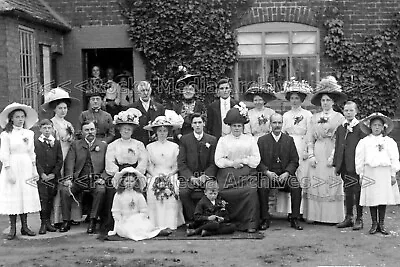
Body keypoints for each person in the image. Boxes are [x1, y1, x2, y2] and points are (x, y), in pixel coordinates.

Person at [304, 76, 347, 223]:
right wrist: (311, 155)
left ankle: (332, 217)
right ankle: (315, 216)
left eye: (328, 100)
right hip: (318, 149)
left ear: (333, 102)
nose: (325, 103)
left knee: (331, 181)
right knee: (317, 181)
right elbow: (310, 137)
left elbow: (340, 139)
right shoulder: (314, 117)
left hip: (332, 149)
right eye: (323, 100)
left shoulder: (339, 117)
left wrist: (333, 157)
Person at [214, 103, 261, 232]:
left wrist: (244, 160)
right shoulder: (223, 140)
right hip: (227, 174)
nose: (236, 128)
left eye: (239, 126)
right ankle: (227, 221)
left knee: (251, 191)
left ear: (243, 126)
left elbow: (256, 160)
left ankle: (249, 223)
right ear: (230, 126)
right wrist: (231, 163)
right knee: (223, 192)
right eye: (234, 126)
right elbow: (218, 160)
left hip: (246, 173)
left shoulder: (250, 140)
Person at [102, 108, 148, 236]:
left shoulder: (138, 144)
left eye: (129, 129)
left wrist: (136, 173)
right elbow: (110, 162)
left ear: (132, 130)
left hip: (135, 174)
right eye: (124, 129)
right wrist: (119, 174)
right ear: (119, 130)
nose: (126, 131)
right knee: (112, 190)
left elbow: (143, 160)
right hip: (120, 174)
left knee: (139, 191)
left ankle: (137, 222)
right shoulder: (113, 145)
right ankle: (113, 223)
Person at [41, 87, 81, 227]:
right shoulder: (51, 123)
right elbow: (52, 142)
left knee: (70, 183)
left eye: (65, 108)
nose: (63, 111)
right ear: (54, 109)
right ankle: (57, 219)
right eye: (60, 108)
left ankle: (72, 216)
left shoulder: (68, 124)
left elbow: (73, 141)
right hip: (58, 155)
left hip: (70, 155)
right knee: (58, 187)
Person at [0, 103, 40, 239]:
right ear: (11, 119)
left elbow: (32, 152)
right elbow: (4, 153)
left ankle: (25, 226)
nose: (20, 119)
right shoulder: (6, 134)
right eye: (17, 117)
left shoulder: (29, 133)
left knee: (25, 194)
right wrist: (8, 170)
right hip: (13, 165)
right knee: (14, 195)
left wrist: (34, 169)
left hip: (26, 166)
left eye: (22, 117)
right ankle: (12, 228)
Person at [355, 113, 400, 235]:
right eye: (374, 125)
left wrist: (393, 174)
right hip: (370, 172)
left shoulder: (389, 142)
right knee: (372, 197)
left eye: (379, 125)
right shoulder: (364, 142)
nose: (376, 127)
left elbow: (394, 158)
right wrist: (361, 174)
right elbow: (359, 159)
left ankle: (382, 223)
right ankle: (374, 223)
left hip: (384, 172)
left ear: (383, 127)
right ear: (370, 127)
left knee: (382, 197)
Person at [59, 120, 107, 233]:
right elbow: (70, 163)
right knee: (65, 190)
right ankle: (66, 220)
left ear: (96, 131)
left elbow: (108, 165)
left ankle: (92, 220)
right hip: (79, 180)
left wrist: (103, 178)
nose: (90, 132)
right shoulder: (75, 145)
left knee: (101, 190)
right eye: (87, 130)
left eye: (92, 129)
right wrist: (69, 179)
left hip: (96, 180)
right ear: (82, 132)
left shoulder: (103, 146)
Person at [257, 113, 303, 230]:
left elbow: (294, 160)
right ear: (270, 124)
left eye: (279, 123)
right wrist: (267, 172)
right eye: (274, 123)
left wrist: (287, 173)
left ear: (282, 124)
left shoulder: (289, 140)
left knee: (296, 186)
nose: (277, 125)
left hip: (285, 175)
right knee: (262, 187)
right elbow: (258, 161)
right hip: (268, 175)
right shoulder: (262, 141)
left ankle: (295, 218)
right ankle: (265, 219)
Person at [277, 78, 313, 219]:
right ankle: (289, 210)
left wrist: (306, 150)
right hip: (289, 146)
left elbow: (309, 133)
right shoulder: (285, 115)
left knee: (302, 176)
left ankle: (302, 211)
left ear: (302, 99)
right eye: (292, 98)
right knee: (290, 176)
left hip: (302, 143)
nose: (294, 101)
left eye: (297, 98)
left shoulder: (307, 115)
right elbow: (283, 133)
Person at [144, 116, 185, 229]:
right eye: (160, 131)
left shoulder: (174, 146)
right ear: (156, 132)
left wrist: (169, 174)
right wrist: (155, 175)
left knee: (172, 188)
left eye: (165, 131)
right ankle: (155, 222)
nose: (162, 133)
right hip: (154, 174)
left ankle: (170, 223)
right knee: (152, 189)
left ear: (168, 132)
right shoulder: (150, 147)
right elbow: (148, 164)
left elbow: (177, 164)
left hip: (170, 173)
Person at [331, 101, 366, 230]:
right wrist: (336, 164)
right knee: (347, 191)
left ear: (356, 112)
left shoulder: (361, 128)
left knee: (357, 191)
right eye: (346, 110)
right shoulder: (341, 127)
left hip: (355, 165)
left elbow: (364, 148)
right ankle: (349, 217)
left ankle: (359, 218)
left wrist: (362, 166)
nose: (348, 113)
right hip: (344, 165)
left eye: (351, 110)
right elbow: (338, 146)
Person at [108, 167, 168, 241]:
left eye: (132, 181)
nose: (129, 184)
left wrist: (139, 217)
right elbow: (115, 211)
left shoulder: (138, 195)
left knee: (141, 227)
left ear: (136, 182)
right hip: (123, 221)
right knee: (128, 231)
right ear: (122, 182)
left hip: (137, 219)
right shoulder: (118, 195)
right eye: (126, 181)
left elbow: (144, 210)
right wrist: (120, 220)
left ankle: (156, 232)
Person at [178, 113, 218, 222]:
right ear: (191, 125)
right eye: (195, 123)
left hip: (206, 177)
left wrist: (205, 176)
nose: (197, 125)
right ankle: (194, 218)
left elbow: (213, 162)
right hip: (190, 177)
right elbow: (181, 163)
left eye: (200, 122)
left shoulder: (212, 140)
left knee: (213, 189)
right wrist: (191, 178)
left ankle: (210, 216)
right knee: (183, 192)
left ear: (204, 124)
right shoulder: (185, 140)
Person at [34, 119, 63, 235]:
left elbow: (59, 160)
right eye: (44, 128)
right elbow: (35, 159)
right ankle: (43, 223)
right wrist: (42, 173)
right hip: (42, 177)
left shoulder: (55, 142)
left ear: (52, 129)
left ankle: (48, 222)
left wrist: (53, 173)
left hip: (52, 176)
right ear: (40, 129)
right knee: (43, 199)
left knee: (51, 197)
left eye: (49, 128)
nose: (47, 130)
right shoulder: (36, 142)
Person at [130, 81, 165, 145]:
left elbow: (163, 126)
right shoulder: (132, 107)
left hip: (155, 142)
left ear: (150, 91)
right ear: (138, 93)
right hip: (138, 142)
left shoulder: (159, 107)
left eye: (147, 90)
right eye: (143, 90)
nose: (146, 93)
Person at [173, 69, 206, 139]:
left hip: (197, 137)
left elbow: (205, 121)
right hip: (181, 137)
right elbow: (173, 123)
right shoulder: (177, 106)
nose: (188, 91)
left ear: (194, 91)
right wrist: (179, 135)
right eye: (185, 89)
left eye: (191, 89)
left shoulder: (200, 105)